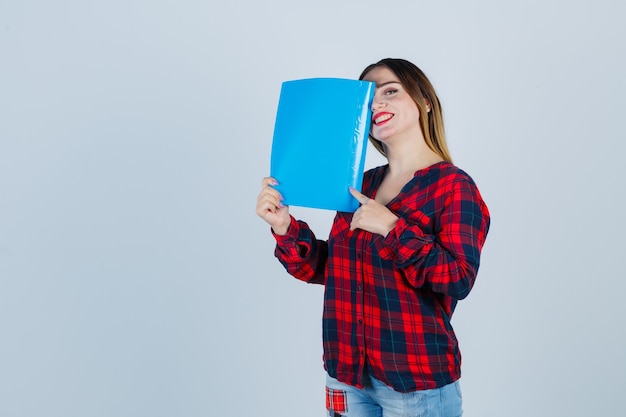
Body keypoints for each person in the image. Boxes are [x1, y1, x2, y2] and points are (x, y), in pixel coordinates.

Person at [255, 58, 490, 417]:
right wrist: (285, 228)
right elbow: (331, 269)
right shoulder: (360, 185)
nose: (377, 104)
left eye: (390, 92)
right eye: (368, 100)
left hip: (416, 385)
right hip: (347, 375)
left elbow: (458, 278)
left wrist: (393, 229)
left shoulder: (453, 187)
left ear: (425, 100)